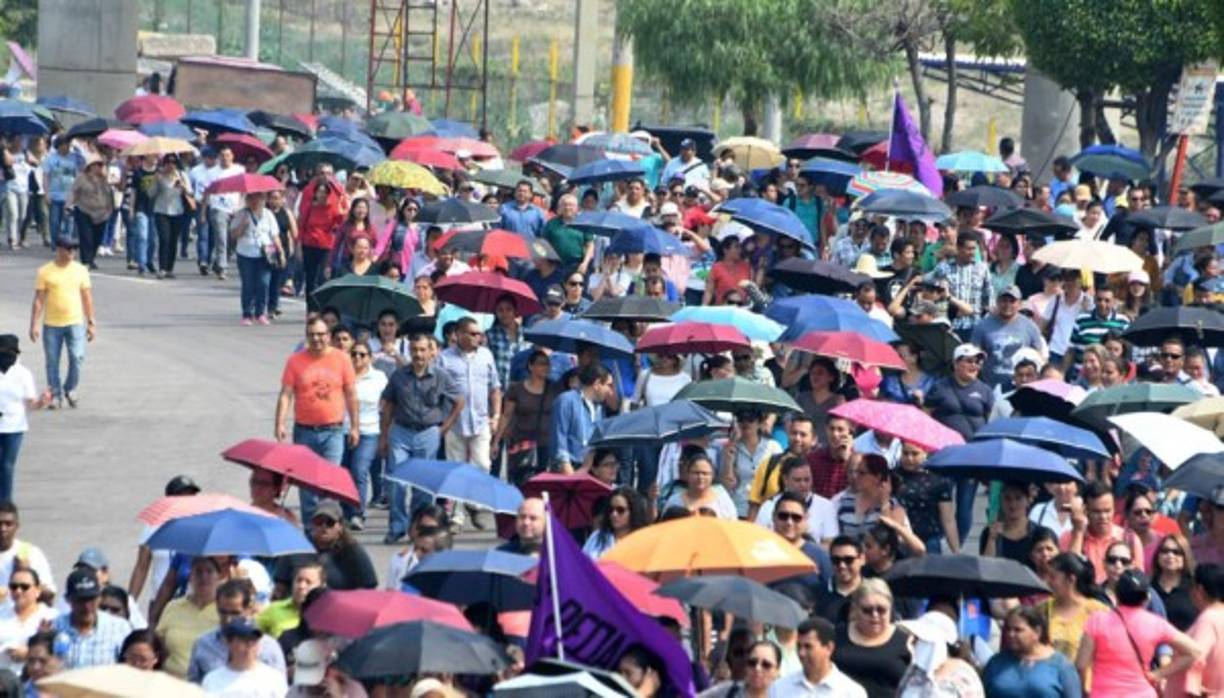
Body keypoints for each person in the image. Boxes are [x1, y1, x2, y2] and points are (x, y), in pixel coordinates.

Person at [275, 317, 359, 524]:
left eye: (321, 334)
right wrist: (280, 423)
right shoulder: (295, 361)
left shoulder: (342, 359)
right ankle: (311, 534)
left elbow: (350, 394)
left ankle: (329, 533)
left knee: (329, 485)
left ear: (328, 336)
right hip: (304, 431)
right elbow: (286, 394)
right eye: (312, 335)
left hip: (334, 431)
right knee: (307, 487)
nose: (316, 339)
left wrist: (355, 426)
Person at [1077, 570, 1203, 698]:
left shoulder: (1097, 620)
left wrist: (1084, 690)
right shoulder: (1155, 623)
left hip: (1103, 693)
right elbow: (1194, 652)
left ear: (1116, 594)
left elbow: (1081, 664)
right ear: (1147, 597)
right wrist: (1158, 674)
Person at [926, 343, 993, 542]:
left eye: (977, 361)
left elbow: (990, 421)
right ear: (956, 363)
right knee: (941, 502)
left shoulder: (985, 391)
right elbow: (926, 416)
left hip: (972, 457)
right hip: (944, 455)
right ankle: (938, 541)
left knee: (965, 506)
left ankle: (958, 547)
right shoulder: (939, 388)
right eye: (969, 361)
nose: (974, 365)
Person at [29, 237, 95, 410]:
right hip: (52, 324)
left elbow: (87, 297)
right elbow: (39, 300)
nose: (72, 253)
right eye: (69, 249)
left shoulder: (80, 270)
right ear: (59, 250)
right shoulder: (45, 271)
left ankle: (70, 388)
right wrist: (34, 324)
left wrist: (91, 322)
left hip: (74, 322)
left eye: (74, 249)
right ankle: (55, 394)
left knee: (77, 357)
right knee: (52, 361)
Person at [187, 579, 286, 683]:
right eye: (223, 612)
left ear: (249, 610)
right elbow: (193, 687)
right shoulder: (203, 644)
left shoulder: (268, 648)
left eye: (235, 613)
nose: (228, 619)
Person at [831, 579, 912, 698]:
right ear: (855, 609)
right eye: (867, 610)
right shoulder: (837, 635)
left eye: (881, 610)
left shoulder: (906, 641)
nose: (875, 615)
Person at [982, 606, 1082, 698]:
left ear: (1037, 632)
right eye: (1008, 629)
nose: (1011, 634)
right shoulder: (996, 663)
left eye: (1018, 630)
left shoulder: (1061, 666)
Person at [494, 349, 559, 486]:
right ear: (531, 366)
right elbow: (506, 415)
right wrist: (496, 442)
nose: (546, 367)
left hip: (545, 444)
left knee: (541, 484)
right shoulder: (516, 389)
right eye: (541, 364)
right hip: (520, 443)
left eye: (547, 364)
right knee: (520, 482)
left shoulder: (555, 388)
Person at [1062, 480, 1144, 584]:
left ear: (1114, 509)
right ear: (1085, 511)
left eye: (1107, 511)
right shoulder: (1069, 537)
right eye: (1096, 511)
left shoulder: (1129, 539)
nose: (1103, 517)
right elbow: (1068, 577)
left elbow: (1139, 582)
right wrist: (1078, 532)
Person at [0, 335, 51, 502]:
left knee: (7, 466)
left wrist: (43, 401)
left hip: (14, 427)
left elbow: (31, 403)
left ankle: (5, 504)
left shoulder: (23, 374)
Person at [155, 556, 224, 677]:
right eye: (198, 571)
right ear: (190, 577)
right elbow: (160, 646)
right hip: (172, 682)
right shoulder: (173, 607)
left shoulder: (226, 610)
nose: (204, 577)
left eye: (209, 571)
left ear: (219, 577)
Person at [341, 342, 386, 530]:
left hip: (370, 430)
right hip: (342, 429)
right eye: (354, 354)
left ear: (370, 357)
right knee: (343, 473)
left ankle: (358, 513)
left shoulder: (378, 377)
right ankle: (345, 512)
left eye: (362, 354)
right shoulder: (342, 375)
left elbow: (387, 401)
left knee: (359, 470)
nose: (357, 358)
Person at [768, 613, 865, 697]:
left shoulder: (851, 692)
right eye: (798, 646)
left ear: (828, 648)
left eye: (808, 647)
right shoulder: (779, 688)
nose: (801, 653)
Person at [52, 568, 132, 669]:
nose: (87, 607)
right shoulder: (55, 627)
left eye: (91, 600)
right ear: (68, 600)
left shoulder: (119, 628)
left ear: (99, 598)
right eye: (80, 601)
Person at [970, 285, 1045, 390]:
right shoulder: (982, 326)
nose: (1007, 304)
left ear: (1019, 304)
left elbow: (1039, 358)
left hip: (1021, 387)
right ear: (997, 302)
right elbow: (974, 357)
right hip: (989, 386)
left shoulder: (1030, 326)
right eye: (1004, 300)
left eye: (1012, 301)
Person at [1040, 552, 1108, 663]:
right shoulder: (1042, 609)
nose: (1048, 582)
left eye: (1053, 577)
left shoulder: (1098, 612)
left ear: (1071, 579)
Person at [231, 192, 285, 325]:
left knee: (264, 283)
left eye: (258, 198)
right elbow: (233, 235)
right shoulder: (241, 214)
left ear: (263, 200)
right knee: (248, 284)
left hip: (265, 253)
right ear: (247, 200)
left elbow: (275, 235)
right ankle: (247, 314)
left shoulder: (268, 214)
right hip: (245, 253)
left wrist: (281, 252)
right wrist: (242, 225)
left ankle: (261, 312)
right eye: (252, 199)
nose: (255, 202)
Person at [895, 444, 960, 553]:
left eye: (915, 454)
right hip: (902, 537)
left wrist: (956, 551)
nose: (909, 458)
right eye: (905, 453)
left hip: (930, 540)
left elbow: (948, 518)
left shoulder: (938, 479)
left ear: (926, 453)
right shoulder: (893, 477)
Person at [201, 618, 289, 697]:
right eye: (243, 640)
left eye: (254, 640)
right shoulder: (211, 680)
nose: (249, 645)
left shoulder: (274, 679)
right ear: (228, 642)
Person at [552, 364, 612, 474]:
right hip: (569, 468)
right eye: (608, 385)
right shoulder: (566, 400)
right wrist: (569, 474)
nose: (610, 391)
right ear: (597, 384)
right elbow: (559, 438)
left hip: (592, 469)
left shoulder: (599, 408)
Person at [981, 481, 1055, 567]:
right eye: (1007, 498)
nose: (1012, 504)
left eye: (1018, 498)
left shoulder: (1041, 534)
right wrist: (992, 539)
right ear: (1001, 501)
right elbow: (985, 567)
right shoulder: (989, 533)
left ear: (1028, 500)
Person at [309, 499, 377, 590]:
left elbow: (369, 585)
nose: (324, 526)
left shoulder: (353, 551)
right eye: (319, 522)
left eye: (330, 522)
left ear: (340, 526)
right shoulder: (305, 550)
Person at [0, 568, 57, 675]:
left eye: (24, 587)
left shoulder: (51, 616)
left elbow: (60, 652)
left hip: (36, 681)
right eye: (14, 587)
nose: (18, 591)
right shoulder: (1, 614)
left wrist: (30, 653)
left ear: (38, 590)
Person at [257, 560, 324, 639]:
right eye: (298, 580)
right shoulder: (274, 609)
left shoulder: (326, 615)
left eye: (308, 582)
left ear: (321, 586)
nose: (301, 586)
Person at [0, 503, 54, 598]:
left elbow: (49, 597)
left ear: (17, 526)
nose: (3, 529)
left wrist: (28, 573)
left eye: (8, 524)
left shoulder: (31, 553)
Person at [67, 157, 113, 268]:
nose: (100, 167)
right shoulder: (81, 178)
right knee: (86, 237)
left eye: (101, 165)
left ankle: (91, 258)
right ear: (91, 166)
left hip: (101, 213)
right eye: (98, 165)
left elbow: (110, 194)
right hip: (84, 210)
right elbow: (73, 191)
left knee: (97, 237)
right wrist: (68, 204)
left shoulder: (105, 180)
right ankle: (86, 260)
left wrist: (110, 208)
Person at [663, 454, 737, 519]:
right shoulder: (674, 501)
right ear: (688, 474)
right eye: (696, 473)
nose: (700, 477)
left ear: (712, 476)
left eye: (705, 473)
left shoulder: (723, 501)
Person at [1150, 533, 1198, 632]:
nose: (1170, 555)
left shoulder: (1195, 588)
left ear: (1185, 556)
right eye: (1164, 551)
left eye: (1177, 552)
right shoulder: (1148, 587)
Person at [542, 193, 594, 274]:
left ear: (577, 208)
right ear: (560, 207)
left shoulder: (584, 224)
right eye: (565, 205)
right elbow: (543, 243)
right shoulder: (551, 223)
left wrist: (585, 263)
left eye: (571, 205)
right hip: (555, 266)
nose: (567, 207)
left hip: (576, 265)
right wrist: (545, 264)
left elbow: (590, 245)